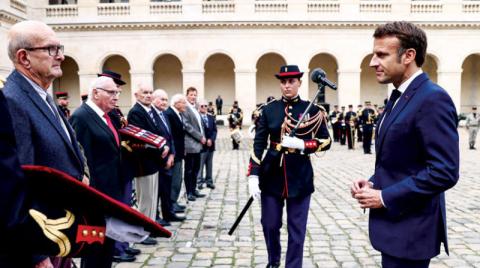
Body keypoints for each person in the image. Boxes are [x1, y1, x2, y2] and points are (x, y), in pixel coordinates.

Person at [351, 21, 459, 268]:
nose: (372, 62)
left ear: (409, 55)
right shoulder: (400, 95)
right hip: (395, 230)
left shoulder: (432, 99)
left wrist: (385, 197)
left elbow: (445, 171)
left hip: (411, 232)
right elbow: (403, 159)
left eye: (381, 55)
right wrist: (373, 182)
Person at [3, 20, 89, 268]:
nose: (60, 56)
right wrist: (37, 256)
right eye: (51, 49)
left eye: (59, 47)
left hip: (61, 235)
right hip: (41, 243)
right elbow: (17, 184)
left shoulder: (42, 95)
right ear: (24, 57)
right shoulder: (13, 101)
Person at [248, 65, 331, 268]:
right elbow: (258, 145)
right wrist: (253, 176)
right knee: (269, 224)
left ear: (299, 83)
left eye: (291, 81)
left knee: (297, 229)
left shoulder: (312, 110)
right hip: (271, 173)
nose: (287, 86)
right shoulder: (268, 110)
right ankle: (273, 261)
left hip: (300, 175)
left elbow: (326, 141)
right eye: (283, 82)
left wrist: (303, 145)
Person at [70, 76, 127, 267]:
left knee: (107, 249)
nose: (116, 97)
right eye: (112, 92)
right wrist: (91, 199)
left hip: (111, 197)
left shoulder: (107, 116)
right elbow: (81, 163)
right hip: (95, 200)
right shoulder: (81, 117)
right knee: (94, 251)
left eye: (117, 93)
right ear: (96, 93)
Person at [127, 83, 170, 245]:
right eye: (144, 92)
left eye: (150, 92)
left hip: (153, 162)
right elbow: (140, 140)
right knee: (145, 200)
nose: (148, 95)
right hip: (143, 163)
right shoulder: (136, 113)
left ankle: (149, 228)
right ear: (136, 95)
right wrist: (160, 150)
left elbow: (157, 134)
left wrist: (163, 146)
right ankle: (141, 233)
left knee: (152, 199)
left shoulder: (150, 111)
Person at [152, 89, 186, 223]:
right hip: (158, 157)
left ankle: (168, 212)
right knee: (159, 189)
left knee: (167, 187)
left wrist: (172, 153)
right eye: (161, 99)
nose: (164, 102)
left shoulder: (163, 114)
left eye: (166, 99)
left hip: (170, 155)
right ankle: (157, 215)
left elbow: (169, 136)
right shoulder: (160, 114)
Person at [182, 87, 207, 201]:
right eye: (191, 95)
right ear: (187, 95)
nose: (193, 97)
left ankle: (194, 189)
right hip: (190, 144)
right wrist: (200, 137)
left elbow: (199, 124)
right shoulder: (185, 108)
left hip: (198, 144)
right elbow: (187, 126)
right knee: (189, 170)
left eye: (195, 95)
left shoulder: (195, 107)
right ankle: (189, 192)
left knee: (196, 168)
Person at [164, 94, 188, 213]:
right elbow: (170, 136)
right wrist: (172, 153)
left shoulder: (177, 114)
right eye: (184, 103)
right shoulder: (169, 114)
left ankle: (174, 201)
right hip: (173, 153)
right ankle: (171, 203)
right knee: (174, 179)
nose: (186, 105)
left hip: (179, 152)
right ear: (176, 103)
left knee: (177, 178)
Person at [197, 99, 218, 190]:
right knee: (200, 165)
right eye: (202, 106)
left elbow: (214, 130)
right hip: (201, 145)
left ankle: (209, 181)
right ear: (198, 107)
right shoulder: (197, 117)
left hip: (211, 145)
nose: (204, 107)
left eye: (206, 106)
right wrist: (203, 139)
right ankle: (199, 182)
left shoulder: (211, 117)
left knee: (209, 164)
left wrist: (211, 140)